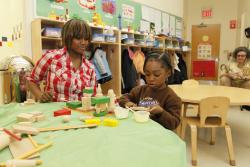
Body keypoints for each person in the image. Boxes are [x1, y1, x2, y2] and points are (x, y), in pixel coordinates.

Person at [27, 19, 97, 102]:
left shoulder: (89, 67)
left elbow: (93, 96)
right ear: (68, 38)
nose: (83, 42)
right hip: (54, 112)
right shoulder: (51, 58)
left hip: (79, 113)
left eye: (86, 39)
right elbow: (31, 80)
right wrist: (40, 96)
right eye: (78, 38)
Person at [119, 52, 181, 130]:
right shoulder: (140, 90)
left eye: (157, 75)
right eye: (147, 74)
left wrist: (161, 112)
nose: (151, 79)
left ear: (168, 73)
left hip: (158, 135)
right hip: (139, 130)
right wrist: (127, 103)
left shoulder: (172, 97)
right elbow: (123, 98)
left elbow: (174, 123)